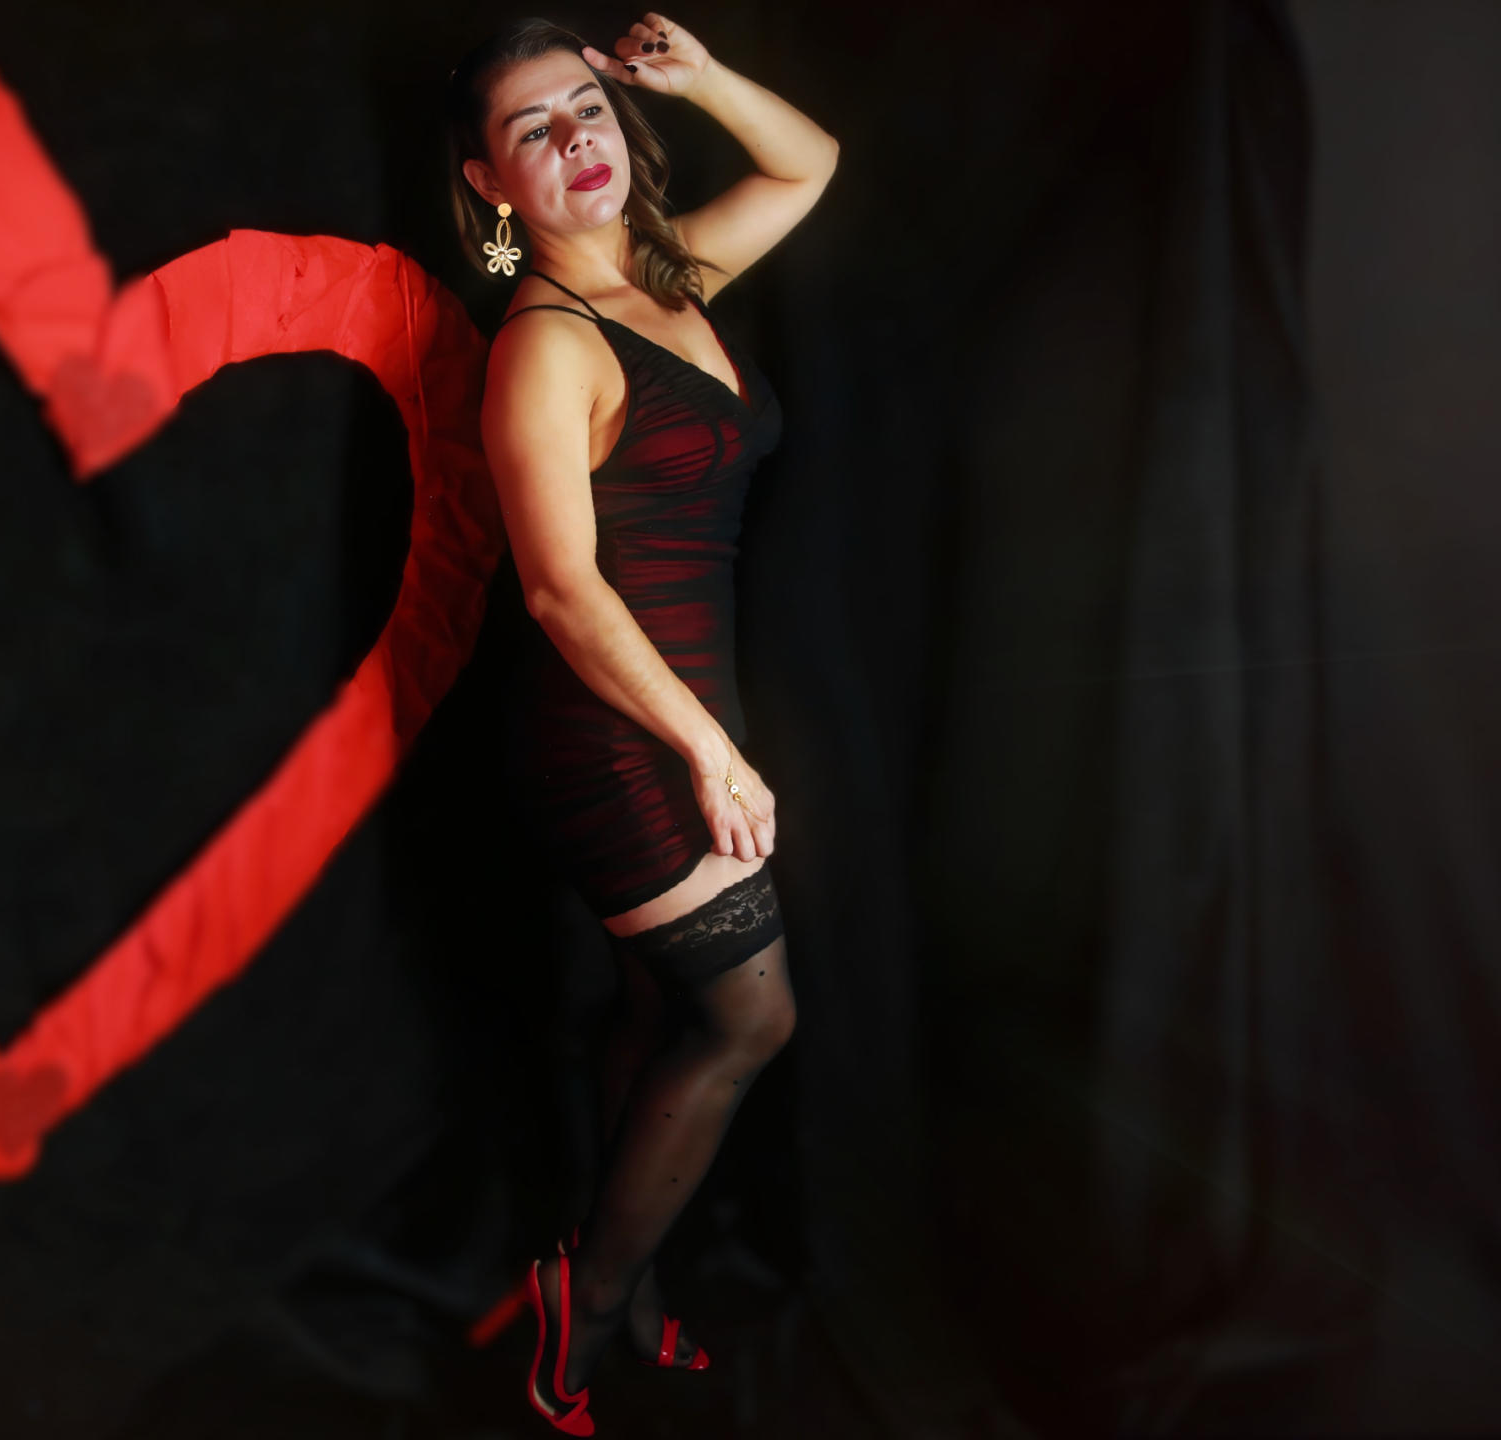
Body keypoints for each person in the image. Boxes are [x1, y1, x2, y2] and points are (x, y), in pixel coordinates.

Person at [446, 13, 837, 1433]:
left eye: (586, 108)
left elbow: (808, 167)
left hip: (682, 713)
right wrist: (712, 754)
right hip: (618, 738)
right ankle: (590, 1293)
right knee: (749, 1015)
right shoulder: (542, 346)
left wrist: (704, 77)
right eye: (532, 130)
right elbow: (559, 591)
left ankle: (637, 1276)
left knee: (662, 1010)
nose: (575, 139)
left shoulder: (671, 278)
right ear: (491, 185)